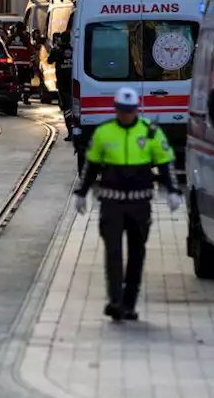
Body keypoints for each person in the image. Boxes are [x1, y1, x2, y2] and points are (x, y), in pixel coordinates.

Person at [74, 87, 180, 322]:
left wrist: (173, 190)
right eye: (122, 111)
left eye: (130, 111)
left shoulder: (150, 132)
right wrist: (81, 192)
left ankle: (129, 303)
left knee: (136, 253)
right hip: (112, 202)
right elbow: (91, 165)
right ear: (116, 109)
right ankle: (115, 301)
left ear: (136, 110)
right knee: (113, 252)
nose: (126, 115)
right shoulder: (104, 133)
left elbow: (165, 163)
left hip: (139, 203)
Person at [47, 32, 76, 140]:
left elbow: (49, 61)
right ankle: (77, 130)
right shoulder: (75, 48)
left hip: (63, 83)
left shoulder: (57, 49)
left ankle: (71, 132)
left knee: (67, 108)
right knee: (75, 107)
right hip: (75, 82)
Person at [6, 23, 32, 104]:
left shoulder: (10, 39)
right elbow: (31, 51)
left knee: (16, 80)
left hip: (13, 64)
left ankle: (17, 95)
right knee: (26, 81)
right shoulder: (26, 39)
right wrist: (32, 63)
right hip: (25, 64)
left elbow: (5, 50)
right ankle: (26, 97)